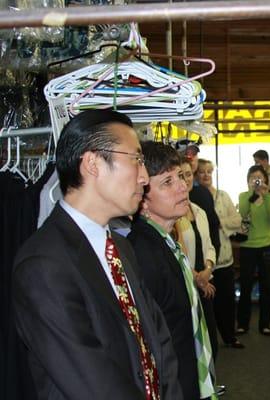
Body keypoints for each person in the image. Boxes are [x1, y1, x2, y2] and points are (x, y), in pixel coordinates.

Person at [12, 110, 183, 399]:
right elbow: (92, 382)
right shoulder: (44, 264)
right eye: (136, 160)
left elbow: (159, 343)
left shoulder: (120, 247)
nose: (144, 177)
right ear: (92, 163)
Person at [128, 142, 218, 400]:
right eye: (167, 182)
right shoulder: (143, 253)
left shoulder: (166, 243)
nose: (182, 186)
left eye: (180, 176)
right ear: (142, 198)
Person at [174, 157, 221, 362]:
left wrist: (208, 269)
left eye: (188, 175)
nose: (185, 180)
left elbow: (209, 245)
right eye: (180, 176)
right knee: (194, 345)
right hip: (189, 282)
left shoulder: (199, 211)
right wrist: (197, 278)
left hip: (205, 280)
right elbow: (176, 250)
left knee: (211, 340)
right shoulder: (174, 213)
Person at [196, 158, 245, 349]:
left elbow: (237, 220)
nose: (206, 175)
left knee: (227, 300)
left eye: (209, 171)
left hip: (225, 257)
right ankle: (210, 340)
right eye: (202, 172)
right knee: (209, 302)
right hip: (206, 261)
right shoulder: (195, 197)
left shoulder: (223, 196)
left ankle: (230, 336)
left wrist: (219, 223)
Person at [236, 165, 270, 336]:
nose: (256, 181)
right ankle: (243, 324)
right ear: (248, 181)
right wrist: (254, 195)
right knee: (245, 287)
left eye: (259, 178)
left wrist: (265, 195)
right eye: (253, 178)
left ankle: (265, 324)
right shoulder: (244, 196)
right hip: (248, 247)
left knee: (266, 287)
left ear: (265, 180)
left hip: (267, 245)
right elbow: (244, 213)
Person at [185, 144, 222, 259]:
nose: (192, 159)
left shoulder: (204, 193)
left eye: (194, 155)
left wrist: (210, 264)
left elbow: (213, 230)